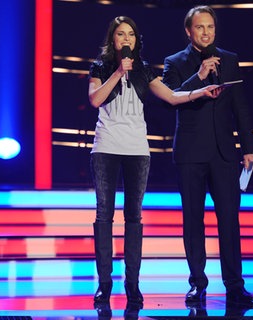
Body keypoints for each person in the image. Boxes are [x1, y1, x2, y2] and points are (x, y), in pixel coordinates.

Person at [88, 16, 220, 305]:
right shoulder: (99, 67)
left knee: (134, 217)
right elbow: (95, 100)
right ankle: (105, 284)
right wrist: (117, 74)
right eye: (121, 34)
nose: (126, 39)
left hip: (136, 149)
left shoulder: (145, 70)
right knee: (103, 215)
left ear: (137, 41)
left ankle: (132, 284)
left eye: (131, 35)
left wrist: (200, 89)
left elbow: (172, 97)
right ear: (113, 38)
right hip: (106, 146)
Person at [161, 5, 253, 308]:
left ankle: (235, 286)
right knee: (193, 221)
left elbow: (240, 107)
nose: (206, 32)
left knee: (229, 220)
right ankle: (197, 284)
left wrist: (248, 147)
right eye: (200, 27)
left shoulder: (229, 60)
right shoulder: (175, 62)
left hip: (224, 154)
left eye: (211, 27)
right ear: (188, 31)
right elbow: (170, 100)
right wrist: (199, 77)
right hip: (191, 153)